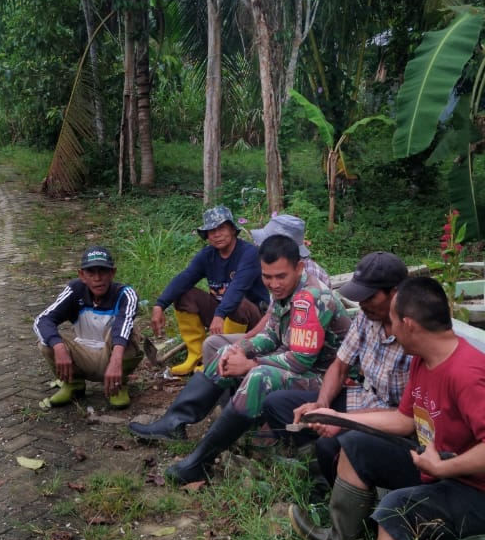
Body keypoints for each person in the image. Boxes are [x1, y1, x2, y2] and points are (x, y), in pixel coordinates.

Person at [292, 276, 485, 540]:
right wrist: (339, 418)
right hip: (439, 465)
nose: (387, 329)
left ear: (408, 324)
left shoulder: (467, 374)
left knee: (395, 511)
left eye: (390, 321)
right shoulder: (424, 359)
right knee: (356, 445)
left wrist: (446, 469)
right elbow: (404, 421)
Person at [130, 235, 349, 484]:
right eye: (267, 277)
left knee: (259, 376)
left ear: (299, 268)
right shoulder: (285, 292)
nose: (274, 284)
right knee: (227, 351)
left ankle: (200, 461)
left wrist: (251, 364)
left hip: (329, 381)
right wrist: (242, 349)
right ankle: (174, 422)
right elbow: (270, 335)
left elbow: (300, 361)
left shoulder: (311, 298)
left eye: (281, 276)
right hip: (302, 370)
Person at [258, 251, 409, 498]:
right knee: (278, 404)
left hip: (391, 418)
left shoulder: (413, 336)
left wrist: (339, 419)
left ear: (395, 293)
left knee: (332, 444)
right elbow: (340, 365)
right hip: (363, 398)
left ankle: (339, 492)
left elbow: (405, 415)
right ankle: (318, 470)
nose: (363, 304)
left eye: (370, 297)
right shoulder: (366, 318)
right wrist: (322, 403)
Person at [199, 214, 330, 368]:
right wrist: (242, 344)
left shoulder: (311, 278)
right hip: (275, 337)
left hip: (294, 349)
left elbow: (297, 353)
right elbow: (271, 318)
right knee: (213, 344)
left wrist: (250, 360)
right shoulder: (275, 274)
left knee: (246, 362)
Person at [151, 206, 268, 377]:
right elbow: (185, 278)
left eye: (221, 228)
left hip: (253, 320)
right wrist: (160, 305)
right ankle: (196, 357)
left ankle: (224, 357)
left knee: (237, 303)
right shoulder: (207, 255)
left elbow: (238, 287)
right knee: (184, 295)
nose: (216, 234)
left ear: (232, 230)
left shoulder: (249, 253)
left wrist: (220, 314)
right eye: (211, 231)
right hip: (221, 318)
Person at [33, 246, 142, 410]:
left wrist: (116, 360)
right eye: (91, 272)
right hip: (85, 354)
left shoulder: (126, 294)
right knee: (46, 342)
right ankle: (73, 384)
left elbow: (123, 325)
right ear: (82, 275)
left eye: (103, 271)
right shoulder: (75, 291)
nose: (98, 278)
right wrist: (58, 346)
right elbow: (43, 320)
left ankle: (118, 385)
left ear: (112, 273)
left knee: (127, 334)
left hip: (113, 356)